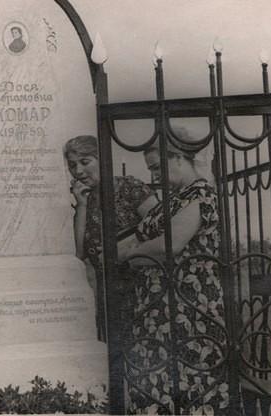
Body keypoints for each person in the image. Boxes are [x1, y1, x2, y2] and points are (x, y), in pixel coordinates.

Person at [116, 129, 229, 414]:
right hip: (159, 311)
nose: (154, 176)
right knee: (158, 391)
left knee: (190, 390)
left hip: (188, 312)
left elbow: (170, 246)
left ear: (177, 157)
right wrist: (139, 249)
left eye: (157, 167)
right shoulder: (175, 198)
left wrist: (132, 253)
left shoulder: (201, 193)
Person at [64, 135, 156, 341]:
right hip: (110, 293)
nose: (78, 171)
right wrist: (82, 205)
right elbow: (79, 253)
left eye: (85, 162)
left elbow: (160, 228)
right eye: (72, 165)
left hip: (142, 286)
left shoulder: (129, 187)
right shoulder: (85, 201)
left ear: (101, 158)